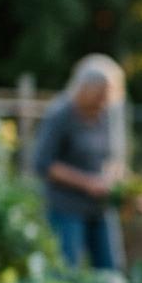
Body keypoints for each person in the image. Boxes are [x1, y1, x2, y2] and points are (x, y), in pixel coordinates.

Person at [32, 54, 128, 270]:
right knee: (68, 268)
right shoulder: (60, 114)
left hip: (100, 207)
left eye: (107, 96)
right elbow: (42, 163)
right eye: (99, 96)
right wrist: (87, 183)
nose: (103, 102)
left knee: (110, 269)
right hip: (67, 206)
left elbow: (112, 158)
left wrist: (120, 188)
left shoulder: (105, 115)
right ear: (84, 89)